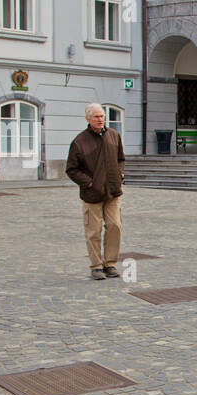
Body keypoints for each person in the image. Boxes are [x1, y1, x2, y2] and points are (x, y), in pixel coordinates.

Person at [66, 103, 126, 280]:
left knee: (115, 226)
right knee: (94, 231)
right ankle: (96, 266)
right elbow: (71, 169)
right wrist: (89, 183)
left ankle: (110, 263)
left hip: (113, 191)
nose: (100, 120)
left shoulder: (114, 136)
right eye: (96, 117)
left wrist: (120, 174)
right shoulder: (79, 142)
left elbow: (121, 158)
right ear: (88, 119)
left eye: (102, 116)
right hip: (92, 194)